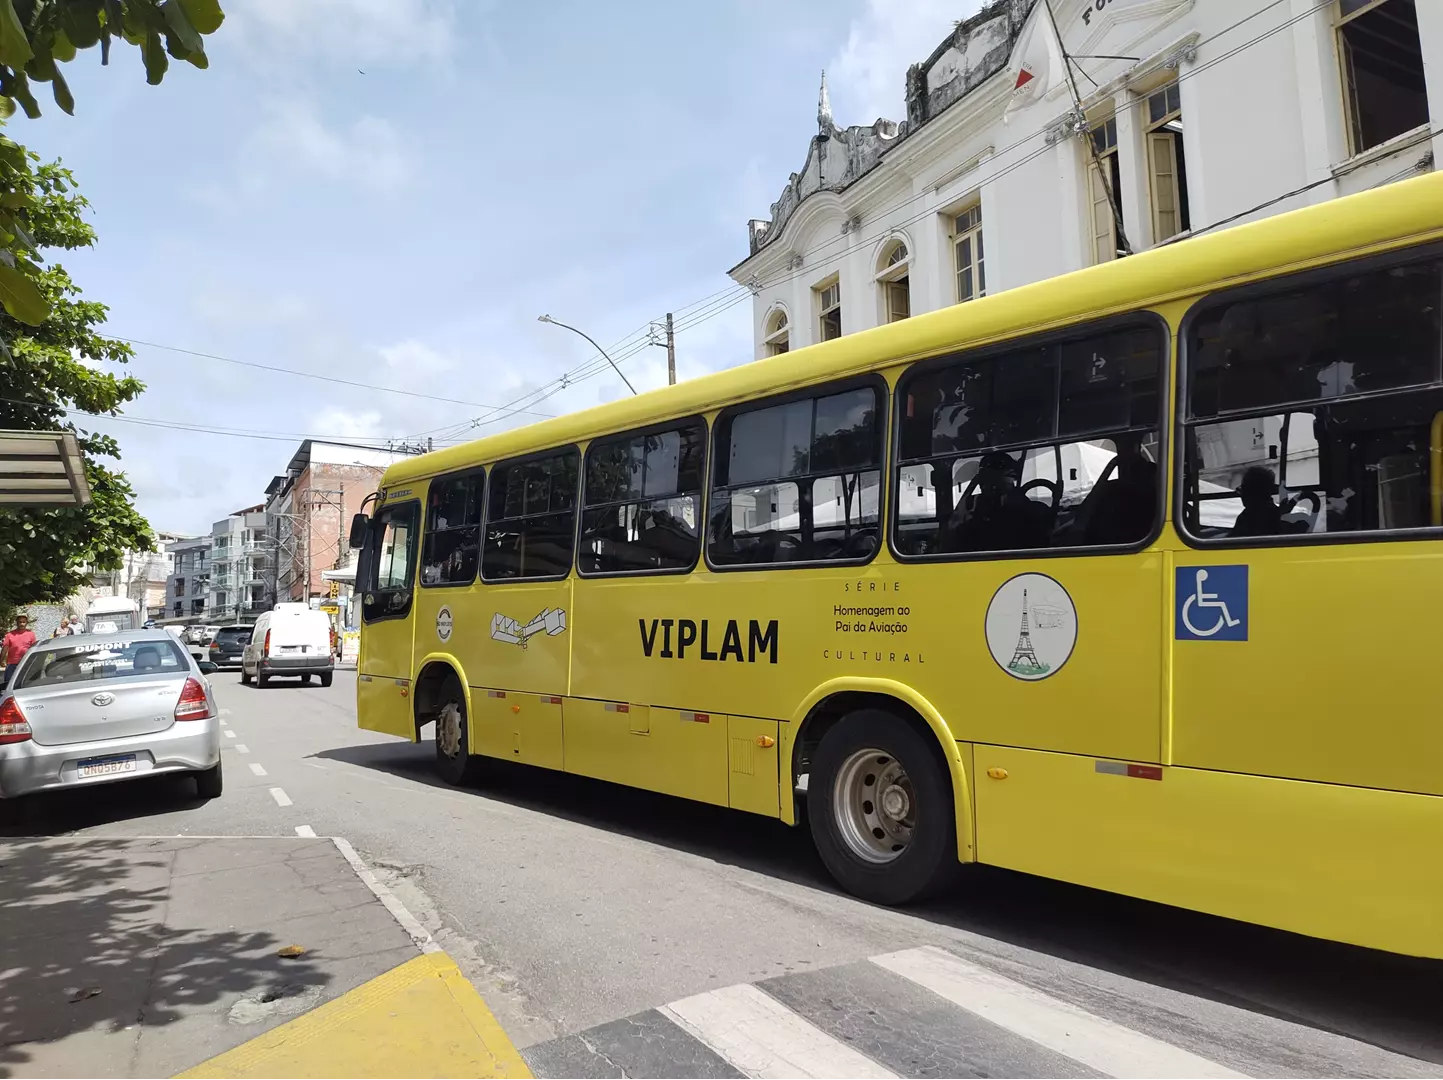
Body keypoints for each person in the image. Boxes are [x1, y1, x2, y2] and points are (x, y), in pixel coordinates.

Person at [3, 614, 38, 687]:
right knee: (8, 685)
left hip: (26, 663)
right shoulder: (10, 635)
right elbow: (5, 649)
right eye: (20, 622)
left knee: (24, 685)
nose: (22, 624)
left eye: (23, 622)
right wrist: (1, 661)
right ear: (17, 623)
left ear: (26, 623)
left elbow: (34, 648)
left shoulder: (31, 634)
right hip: (12, 664)